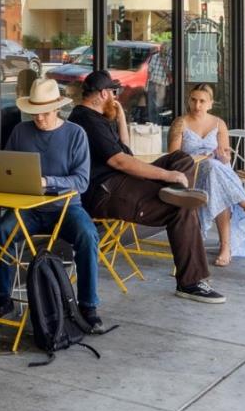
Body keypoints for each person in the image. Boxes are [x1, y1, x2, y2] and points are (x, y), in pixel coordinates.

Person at [69, 70, 224, 304]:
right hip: (106, 191)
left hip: (121, 181)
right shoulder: (87, 121)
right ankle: (190, 283)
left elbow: (125, 151)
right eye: (113, 92)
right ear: (102, 94)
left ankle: (178, 193)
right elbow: (120, 162)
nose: (116, 96)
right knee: (179, 210)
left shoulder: (99, 118)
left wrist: (120, 117)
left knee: (181, 159)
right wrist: (166, 175)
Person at [0, 79, 103, 330]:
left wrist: (46, 181)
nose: (39, 119)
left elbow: (81, 181)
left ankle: (88, 305)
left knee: (88, 235)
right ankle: (3, 298)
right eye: (35, 114)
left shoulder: (75, 134)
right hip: (29, 208)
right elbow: (8, 169)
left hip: (66, 208)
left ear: (57, 109)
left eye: (45, 113)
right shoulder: (21, 132)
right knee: (0, 231)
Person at [168, 84, 245, 267]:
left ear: (210, 104)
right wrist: (202, 157)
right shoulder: (180, 123)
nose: (197, 105)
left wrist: (223, 155)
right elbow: (173, 157)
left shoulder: (219, 123)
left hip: (217, 172)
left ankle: (226, 246)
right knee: (215, 172)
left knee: (216, 175)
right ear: (189, 100)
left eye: (202, 101)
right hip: (190, 173)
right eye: (193, 100)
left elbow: (225, 158)